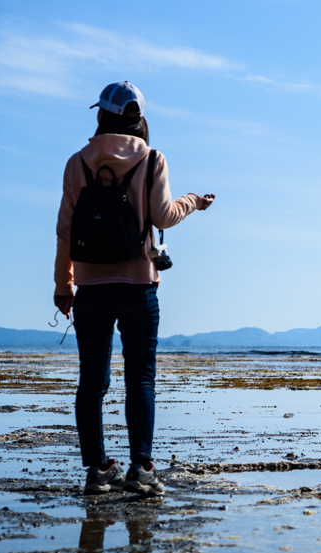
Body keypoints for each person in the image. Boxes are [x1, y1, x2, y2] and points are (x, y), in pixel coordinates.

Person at [53, 81, 215, 495]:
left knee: (91, 381)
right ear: (138, 118)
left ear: (101, 115)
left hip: (89, 286)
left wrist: (63, 284)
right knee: (140, 379)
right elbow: (163, 216)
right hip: (139, 285)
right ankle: (141, 469)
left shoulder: (77, 163)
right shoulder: (152, 159)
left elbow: (65, 231)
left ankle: (97, 471)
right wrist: (193, 201)